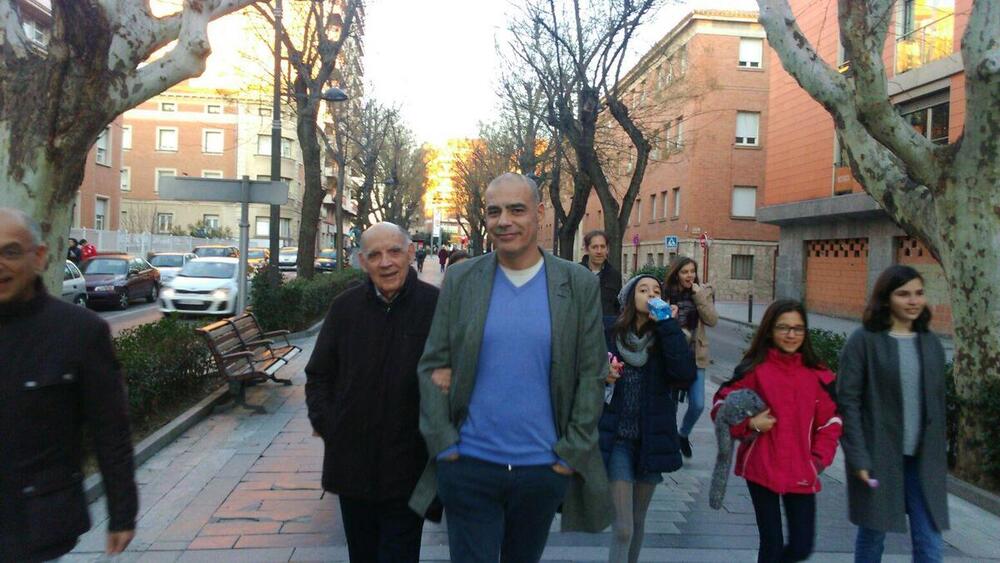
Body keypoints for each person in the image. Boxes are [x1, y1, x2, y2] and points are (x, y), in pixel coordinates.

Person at [410, 172, 611, 562]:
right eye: (494, 211)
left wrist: (571, 452)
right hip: (469, 464)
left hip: (542, 469)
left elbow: (592, 373)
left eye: (516, 210)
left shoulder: (576, 284)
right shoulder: (463, 278)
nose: (504, 221)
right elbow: (433, 363)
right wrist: (444, 442)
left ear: (538, 213)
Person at [0, 208, 137, 562]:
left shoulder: (78, 332)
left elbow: (111, 430)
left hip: (38, 525)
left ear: (40, 256)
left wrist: (122, 513)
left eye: (10, 252)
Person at [305, 222, 439, 563]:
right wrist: (330, 425)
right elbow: (318, 375)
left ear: (411, 253)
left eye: (394, 251)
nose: (386, 262)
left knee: (399, 555)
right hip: (353, 468)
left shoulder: (436, 307)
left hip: (410, 467)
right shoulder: (344, 308)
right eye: (375, 255)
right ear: (362, 262)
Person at [711, 300, 842, 563]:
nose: (791, 334)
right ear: (770, 330)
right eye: (783, 327)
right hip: (761, 466)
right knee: (771, 544)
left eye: (798, 328)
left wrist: (818, 460)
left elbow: (832, 422)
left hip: (802, 468)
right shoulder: (753, 369)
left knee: (802, 546)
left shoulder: (820, 375)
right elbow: (720, 406)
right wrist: (749, 425)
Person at [837, 265, 949, 563]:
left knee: (930, 546)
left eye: (919, 293)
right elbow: (848, 402)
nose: (913, 301)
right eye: (904, 294)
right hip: (878, 458)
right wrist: (858, 457)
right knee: (873, 536)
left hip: (923, 463)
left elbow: (938, 405)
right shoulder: (864, 341)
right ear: (886, 299)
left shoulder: (931, 343)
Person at [601, 274, 697, 563]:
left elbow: (684, 374)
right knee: (623, 527)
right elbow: (584, 370)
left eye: (656, 291)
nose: (651, 294)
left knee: (639, 519)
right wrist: (602, 373)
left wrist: (668, 324)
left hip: (650, 438)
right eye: (643, 290)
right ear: (630, 298)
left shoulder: (666, 337)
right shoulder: (609, 332)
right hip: (617, 437)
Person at [662, 257, 718, 458]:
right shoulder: (666, 293)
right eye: (685, 272)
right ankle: (668, 441)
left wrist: (699, 296)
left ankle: (682, 433)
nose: (689, 275)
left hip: (696, 355)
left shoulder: (702, 293)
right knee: (669, 403)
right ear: (677, 273)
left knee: (698, 403)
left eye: (692, 271)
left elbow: (712, 320)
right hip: (671, 356)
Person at [580, 230, 623, 319]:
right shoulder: (576, 273)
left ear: (607, 249)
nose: (599, 251)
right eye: (595, 247)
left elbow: (618, 306)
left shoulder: (615, 276)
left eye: (602, 247)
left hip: (606, 329)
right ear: (587, 249)